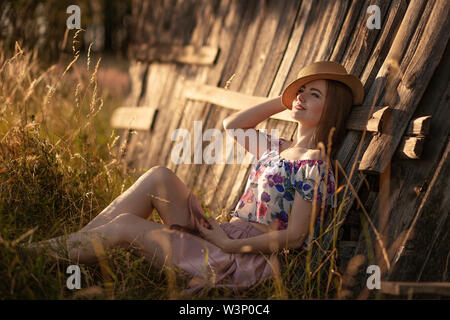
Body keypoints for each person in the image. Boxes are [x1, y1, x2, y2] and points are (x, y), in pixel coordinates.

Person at [24, 61, 364, 293]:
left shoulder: (314, 164)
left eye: (313, 94)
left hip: (240, 258)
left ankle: (29, 257)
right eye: (301, 90)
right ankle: (72, 252)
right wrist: (284, 97)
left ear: (331, 107)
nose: (302, 96)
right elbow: (234, 126)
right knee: (159, 176)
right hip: (222, 232)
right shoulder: (277, 147)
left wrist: (227, 244)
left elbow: (294, 238)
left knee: (127, 224)